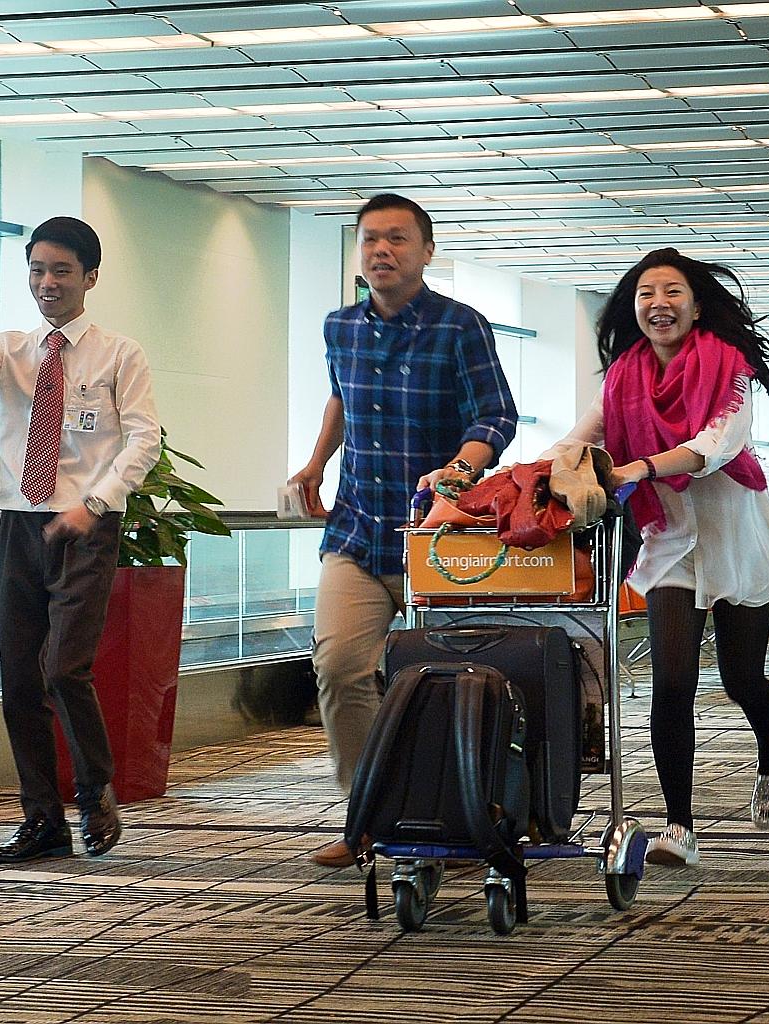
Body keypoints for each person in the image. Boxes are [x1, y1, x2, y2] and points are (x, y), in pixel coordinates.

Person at [541, 247, 769, 867]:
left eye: (672, 292)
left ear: (695, 304)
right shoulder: (622, 379)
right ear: (633, 309)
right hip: (669, 544)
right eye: (645, 294)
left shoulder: (730, 370)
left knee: (742, 680)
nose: (658, 304)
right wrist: (541, 470)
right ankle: (680, 827)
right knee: (672, 684)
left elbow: (716, 445)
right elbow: (578, 438)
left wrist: (641, 467)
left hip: (737, 538)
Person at [0, 216, 161, 862]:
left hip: (85, 524)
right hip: (19, 523)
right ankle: (41, 821)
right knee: (23, 679)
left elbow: (144, 438)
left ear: (90, 277)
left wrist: (98, 502)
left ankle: (94, 788)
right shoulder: (11, 351)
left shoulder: (119, 354)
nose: (47, 283)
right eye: (37, 271)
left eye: (60, 271)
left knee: (63, 667)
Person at [288, 193, 518, 868]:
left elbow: (496, 417)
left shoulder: (460, 327)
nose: (381, 251)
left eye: (396, 239)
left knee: (451, 680)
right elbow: (341, 396)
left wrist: (458, 469)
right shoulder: (341, 326)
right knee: (338, 666)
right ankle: (368, 816)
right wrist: (315, 462)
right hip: (358, 530)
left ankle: (461, 812)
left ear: (425, 250)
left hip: (439, 538)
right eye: (370, 240)